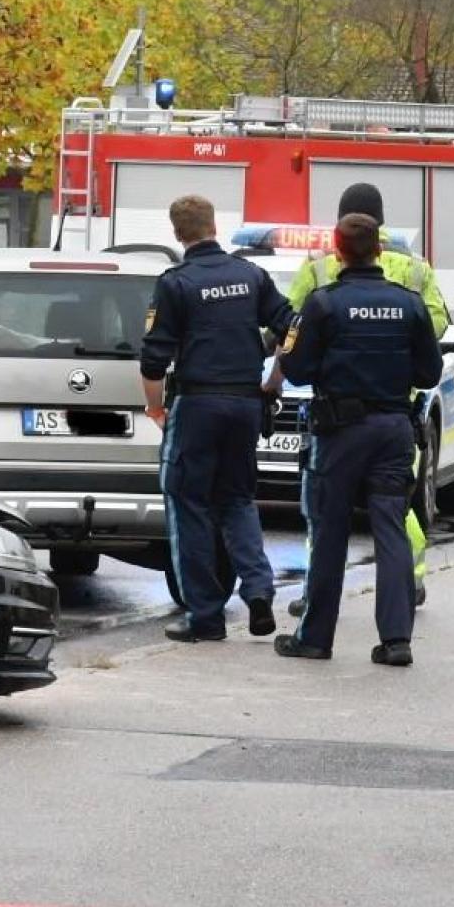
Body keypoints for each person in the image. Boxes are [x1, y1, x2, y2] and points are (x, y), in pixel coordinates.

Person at [276, 213, 442, 666]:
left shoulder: (323, 303)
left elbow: (295, 369)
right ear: (379, 249)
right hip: (392, 430)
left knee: (330, 534)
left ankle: (314, 638)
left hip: (339, 433)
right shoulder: (408, 303)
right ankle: (396, 640)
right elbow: (430, 372)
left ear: (338, 249)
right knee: (390, 530)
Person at [139, 194, 293, 643]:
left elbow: (153, 358)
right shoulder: (251, 275)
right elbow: (293, 326)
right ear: (213, 226)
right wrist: (276, 377)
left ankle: (205, 616)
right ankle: (259, 589)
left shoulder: (176, 283)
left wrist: (154, 407)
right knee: (238, 499)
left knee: (187, 503)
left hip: (198, 404)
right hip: (246, 404)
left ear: (177, 233)